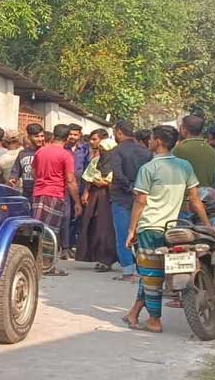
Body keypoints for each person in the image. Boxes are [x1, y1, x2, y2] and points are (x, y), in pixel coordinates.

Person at [122, 125, 213, 333]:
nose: (149, 141)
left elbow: (140, 201)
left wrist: (131, 229)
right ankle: (133, 313)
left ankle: (154, 320)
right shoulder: (184, 166)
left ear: (159, 142)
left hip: (149, 227)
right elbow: (195, 200)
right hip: (173, 228)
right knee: (150, 273)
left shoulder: (148, 169)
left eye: (152, 138)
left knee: (151, 275)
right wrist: (208, 226)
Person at [31, 124, 83, 276]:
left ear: (53, 135)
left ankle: (35, 263)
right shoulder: (66, 155)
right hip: (55, 194)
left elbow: (34, 173)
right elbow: (70, 180)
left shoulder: (41, 151)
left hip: (39, 193)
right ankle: (47, 266)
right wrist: (77, 202)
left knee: (38, 230)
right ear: (67, 138)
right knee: (51, 232)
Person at [109, 120, 152, 282]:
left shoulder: (118, 151)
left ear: (119, 132)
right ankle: (144, 269)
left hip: (121, 197)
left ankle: (128, 271)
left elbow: (118, 174)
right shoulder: (145, 152)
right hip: (143, 197)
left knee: (123, 234)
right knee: (141, 234)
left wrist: (129, 187)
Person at [76, 129, 117, 272]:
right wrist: (86, 192)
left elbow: (117, 181)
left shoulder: (117, 163)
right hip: (95, 197)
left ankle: (107, 259)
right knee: (94, 227)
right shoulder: (95, 161)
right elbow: (88, 177)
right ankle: (96, 257)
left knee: (106, 229)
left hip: (109, 197)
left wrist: (106, 184)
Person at [174, 114, 215, 198]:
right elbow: (214, 180)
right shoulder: (211, 150)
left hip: (186, 201)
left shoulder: (179, 149)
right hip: (205, 199)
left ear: (184, 130)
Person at [65, 123, 89, 254]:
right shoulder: (63, 148)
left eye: (75, 134)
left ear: (80, 135)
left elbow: (88, 168)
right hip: (65, 188)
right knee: (66, 216)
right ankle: (65, 245)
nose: (72, 137)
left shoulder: (85, 150)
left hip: (80, 188)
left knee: (78, 217)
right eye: (70, 134)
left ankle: (73, 244)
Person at [9, 124, 45, 201]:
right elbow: (16, 171)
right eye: (36, 136)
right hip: (26, 193)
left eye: (42, 136)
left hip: (42, 193)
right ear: (29, 137)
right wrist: (13, 179)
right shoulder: (22, 153)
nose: (40, 139)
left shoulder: (46, 152)